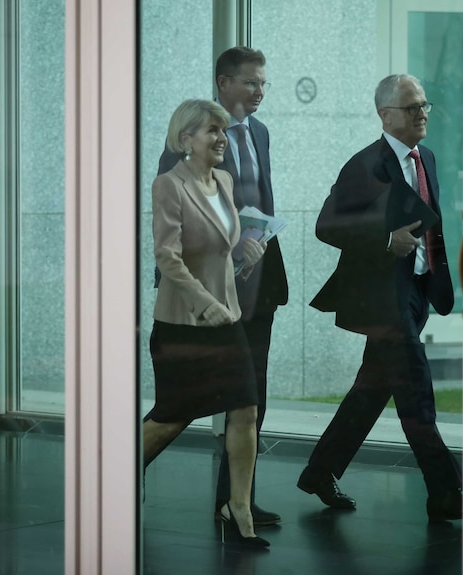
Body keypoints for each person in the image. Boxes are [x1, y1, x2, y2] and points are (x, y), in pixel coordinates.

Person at [299, 74, 463, 522]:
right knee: (416, 393)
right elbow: (326, 226)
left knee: (371, 391)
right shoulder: (364, 166)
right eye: (412, 107)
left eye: (425, 105)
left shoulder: (425, 156)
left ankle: (320, 470)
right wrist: (383, 239)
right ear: (385, 115)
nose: (423, 113)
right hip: (381, 299)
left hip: (415, 292)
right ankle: (448, 492)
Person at [153, 46, 288, 528]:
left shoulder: (261, 134)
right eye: (250, 82)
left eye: (263, 84)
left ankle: (235, 502)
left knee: (251, 397)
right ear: (222, 82)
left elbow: (260, 202)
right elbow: (176, 223)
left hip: (257, 283)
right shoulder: (189, 141)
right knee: (179, 407)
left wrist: (262, 244)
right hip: (207, 288)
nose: (258, 92)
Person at [143, 98, 269, 549]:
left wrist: (244, 259)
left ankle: (238, 506)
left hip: (226, 315)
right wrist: (203, 303)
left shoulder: (225, 181)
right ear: (185, 140)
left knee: (246, 409)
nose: (222, 138)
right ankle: (117, 475)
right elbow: (167, 257)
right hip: (183, 322)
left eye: (223, 130)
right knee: (171, 418)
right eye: (212, 131)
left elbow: (219, 249)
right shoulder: (167, 186)